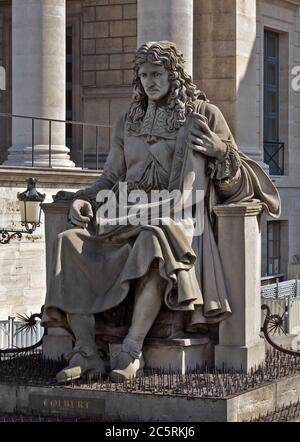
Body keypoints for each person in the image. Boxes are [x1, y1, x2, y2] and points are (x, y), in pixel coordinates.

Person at [41, 41, 280, 383]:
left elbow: (234, 186)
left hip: (180, 215)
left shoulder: (203, 114)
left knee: (154, 239)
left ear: (174, 75)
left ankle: (131, 350)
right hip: (124, 212)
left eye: (158, 74)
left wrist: (220, 152)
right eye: (144, 75)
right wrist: (86, 199)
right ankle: (86, 352)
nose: (151, 81)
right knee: (69, 242)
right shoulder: (128, 121)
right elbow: (110, 176)